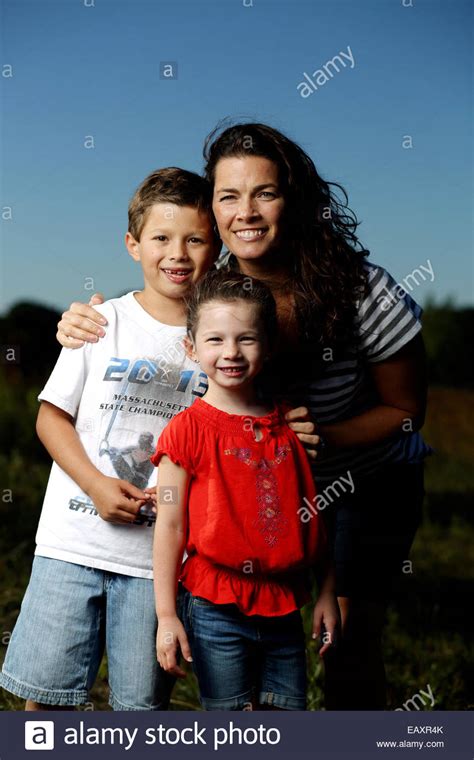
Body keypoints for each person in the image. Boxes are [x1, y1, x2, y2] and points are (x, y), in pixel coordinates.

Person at [56, 121, 430, 709]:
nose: (246, 212)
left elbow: (408, 411)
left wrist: (313, 439)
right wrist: (87, 320)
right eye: (228, 196)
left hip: (364, 479)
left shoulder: (364, 291)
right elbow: (154, 313)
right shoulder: (219, 283)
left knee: (348, 644)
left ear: (295, 198)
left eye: (266, 193)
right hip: (266, 484)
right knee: (249, 651)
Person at [0, 167, 221, 711]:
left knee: (140, 710)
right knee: (44, 701)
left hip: (158, 564)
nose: (178, 253)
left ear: (215, 249)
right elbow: (51, 419)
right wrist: (97, 484)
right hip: (71, 546)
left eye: (195, 239)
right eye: (161, 238)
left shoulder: (220, 341)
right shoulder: (100, 322)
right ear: (132, 244)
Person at [152, 270, 338, 711]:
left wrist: (328, 590)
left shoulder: (291, 426)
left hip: (284, 606)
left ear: (268, 346)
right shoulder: (185, 431)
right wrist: (165, 615)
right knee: (230, 723)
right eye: (215, 340)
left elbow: (314, 513)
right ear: (191, 348)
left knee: (286, 718)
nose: (231, 352)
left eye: (246, 339)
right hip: (215, 608)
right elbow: (170, 524)